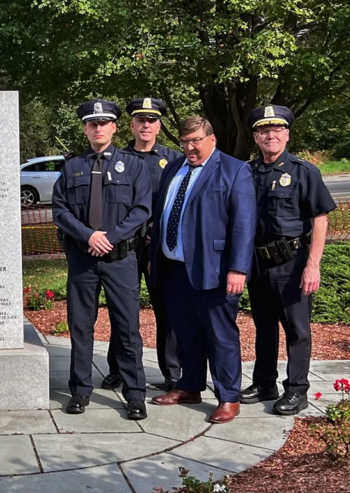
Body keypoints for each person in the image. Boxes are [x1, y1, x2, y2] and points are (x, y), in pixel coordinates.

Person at [149, 116, 256, 424]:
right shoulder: (173, 168)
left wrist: (238, 268)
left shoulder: (235, 170)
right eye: (184, 142)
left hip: (215, 271)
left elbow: (243, 225)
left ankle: (228, 397)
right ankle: (190, 386)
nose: (190, 147)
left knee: (220, 335)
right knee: (186, 334)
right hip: (174, 269)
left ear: (212, 139)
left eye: (195, 140)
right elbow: (163, 214)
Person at [52, 98, 151, 420]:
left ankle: (135, 394)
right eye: (92, 124)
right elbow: (60, 210)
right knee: (80, 327)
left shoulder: (133, 165)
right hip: (83, 260)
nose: (98, 128)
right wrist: (88, 235)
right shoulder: (72, 166)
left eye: (103, 123)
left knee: (127, 328)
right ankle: (80, 391)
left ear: (114, 127)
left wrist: (111, 237)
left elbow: (141, 210)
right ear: (85, 128)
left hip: (120, 260)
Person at [241, 105, 336, 415]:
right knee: (264, 326)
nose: (271, 135)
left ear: (287, 134)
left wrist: (313, 264)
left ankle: (297, 390)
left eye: (277, 130)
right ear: (256, 137)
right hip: (258, 263)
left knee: (297, 331)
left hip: (292, 262)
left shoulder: (302, 170)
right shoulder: (248, 172)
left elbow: (319, 218)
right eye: (264, 131)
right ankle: (265, 382)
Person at [102, 97, 184, 392]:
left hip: (159, 248)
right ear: (132, 125)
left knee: (166, 310)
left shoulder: (175, 160)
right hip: (124, 246)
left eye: (152, 120)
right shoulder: (116, 157)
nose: (146, 125)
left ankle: (172, 370)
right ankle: (118, 368)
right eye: (141, 120)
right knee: (122, 309)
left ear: (159, 126)